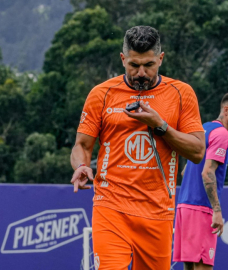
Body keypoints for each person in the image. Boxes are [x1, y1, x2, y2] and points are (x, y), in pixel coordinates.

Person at [70, 25, 205, 270]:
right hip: (110, 207)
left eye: (149, 65)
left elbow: (197, 152)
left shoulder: (181, 93)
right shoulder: (101, 94)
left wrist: (159, 125)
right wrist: (80, 165)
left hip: (158, 212)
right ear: (123, 59)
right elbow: (82, 145)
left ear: (161, 59)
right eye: (134, 65)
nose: (141, 73)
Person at [173, 91, 228, 270]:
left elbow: (185, 171)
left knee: (189, 267)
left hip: (184, 206)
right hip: (201, 208)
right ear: (226, 109)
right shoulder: (223, 134)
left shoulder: (204, 128)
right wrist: (217, 210)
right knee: (203, 266)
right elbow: (207, 173)